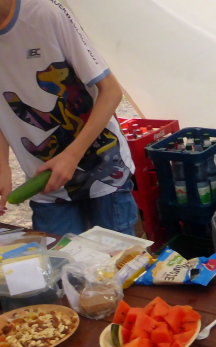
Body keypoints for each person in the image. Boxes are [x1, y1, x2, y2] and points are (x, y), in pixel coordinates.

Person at [0, 0, 137, 235]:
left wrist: (71, 156)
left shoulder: (45, 13)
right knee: (59, 258)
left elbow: (111, 92)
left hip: (104, 173)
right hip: (46, 184)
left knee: (117, 258)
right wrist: (3, 169)